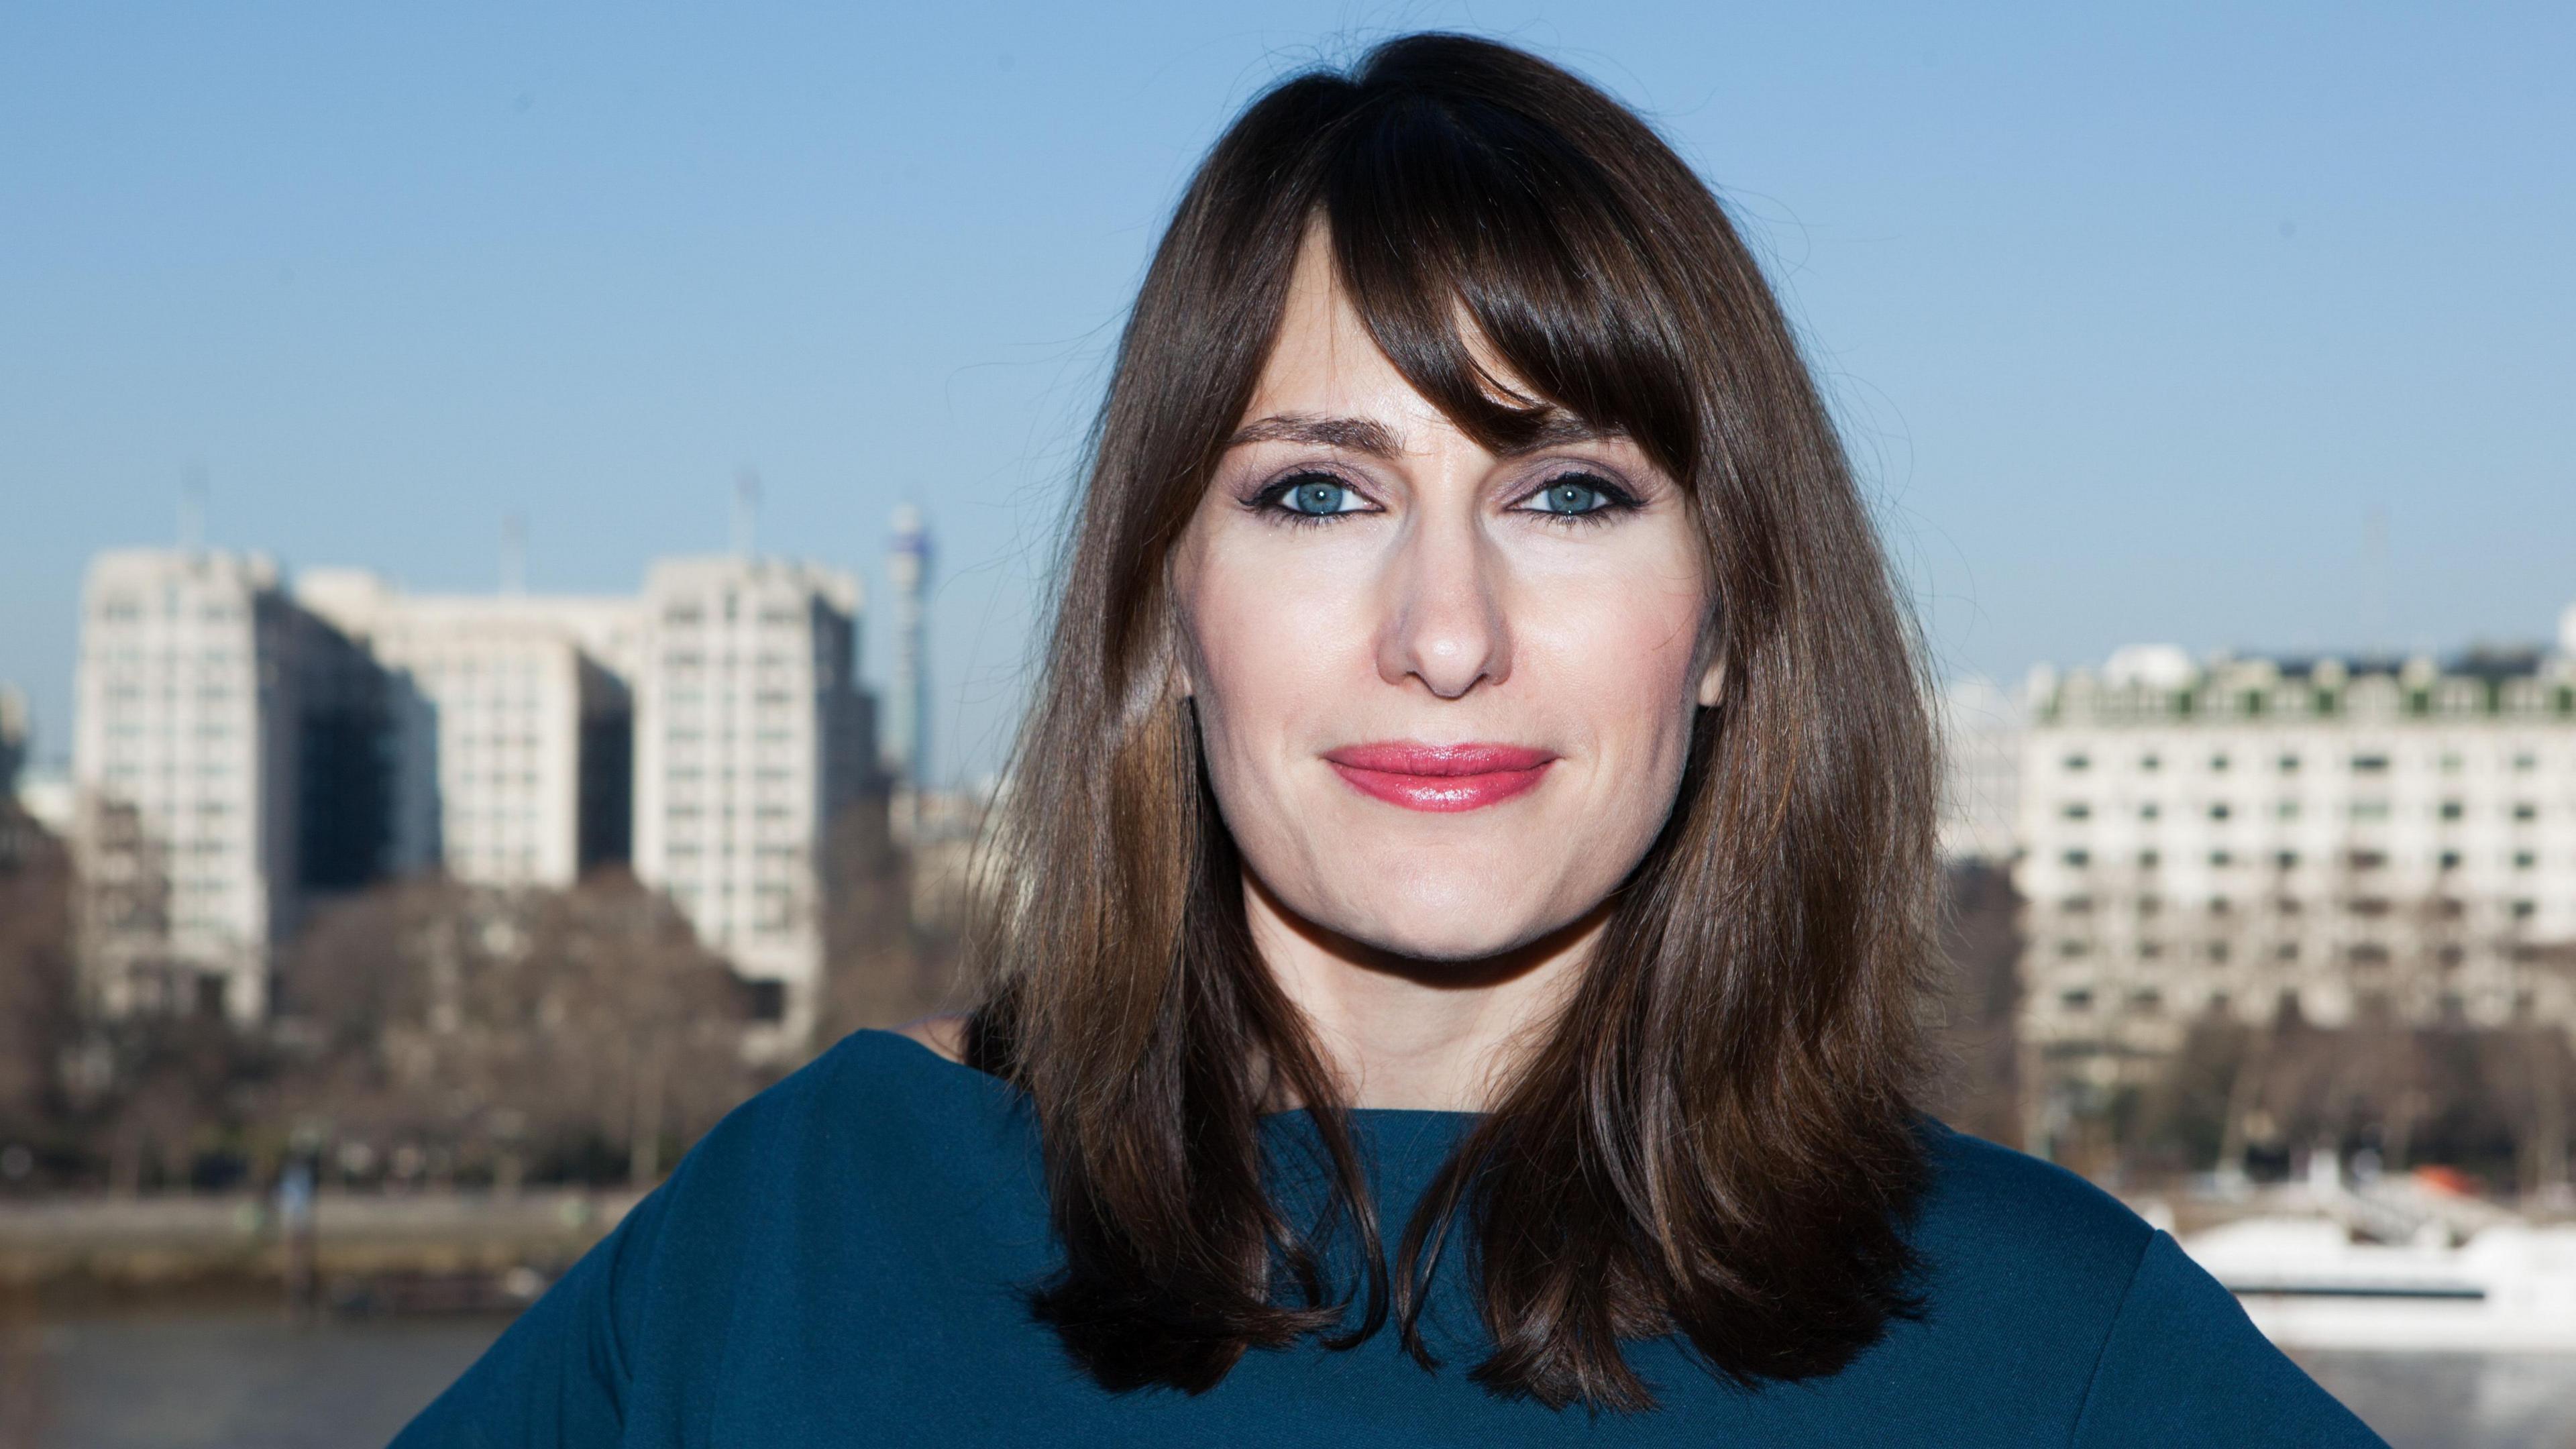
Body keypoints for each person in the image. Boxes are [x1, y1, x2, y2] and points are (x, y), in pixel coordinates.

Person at [394, 32, 2384, 1446]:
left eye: (1572, 495)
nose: (1445, 636)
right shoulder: (807, 1238)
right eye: (1319, 497)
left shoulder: (2048, 1343)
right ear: (1167, 610)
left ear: (1731, 624)